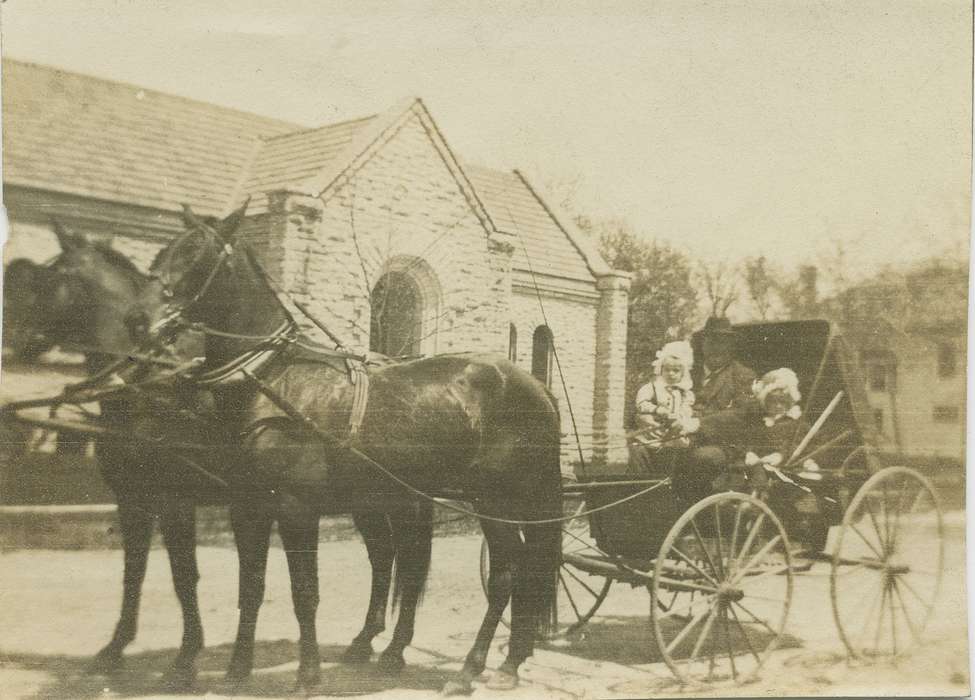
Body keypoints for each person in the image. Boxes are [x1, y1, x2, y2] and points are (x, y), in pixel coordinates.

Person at [632, 340, 699, 453]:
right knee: (644, 449)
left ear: (683, 373)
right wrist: (656, 409)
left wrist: (681, 416)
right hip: (653, 428)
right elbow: (641, 403)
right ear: (660, 370)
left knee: (676, 449)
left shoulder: (685, 392)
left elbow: (687, 408)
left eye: (676, 371)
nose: (670, 373)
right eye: (667, 370)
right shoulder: (653, 387)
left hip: (674, 430)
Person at [694, 317, 756, 416]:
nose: (717, 348)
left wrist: (699, 423)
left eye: (722, 342)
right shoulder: (687, 372)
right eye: (711, 342)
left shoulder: (743, 375)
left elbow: (742, 413)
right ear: (702, 344)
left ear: (731, 346)